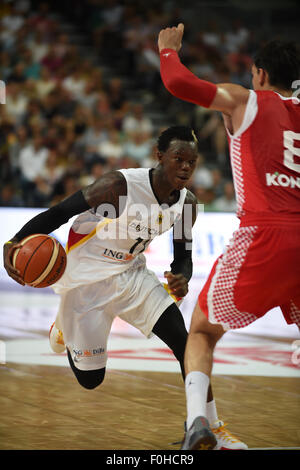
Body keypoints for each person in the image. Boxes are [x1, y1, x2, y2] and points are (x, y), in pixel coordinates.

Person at [4, 125, 206, 432]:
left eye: (192, 160)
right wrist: (14, 241)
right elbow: (60, 212)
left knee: (185, 342)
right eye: (179, 158)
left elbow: (183, 257)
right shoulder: (118, 185)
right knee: (91, 380)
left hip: (132, 274)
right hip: (85, 279)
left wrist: (182, 276)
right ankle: (64, 328)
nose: (186, 166)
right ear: (160, 156)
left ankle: (200, 425)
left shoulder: (187, 204)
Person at [158, 24, 300, 450]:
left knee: (201, 331)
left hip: (266, 234)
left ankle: (198, 423)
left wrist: (168, 51)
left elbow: (179, 83)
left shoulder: (245, 99)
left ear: (258, 74)